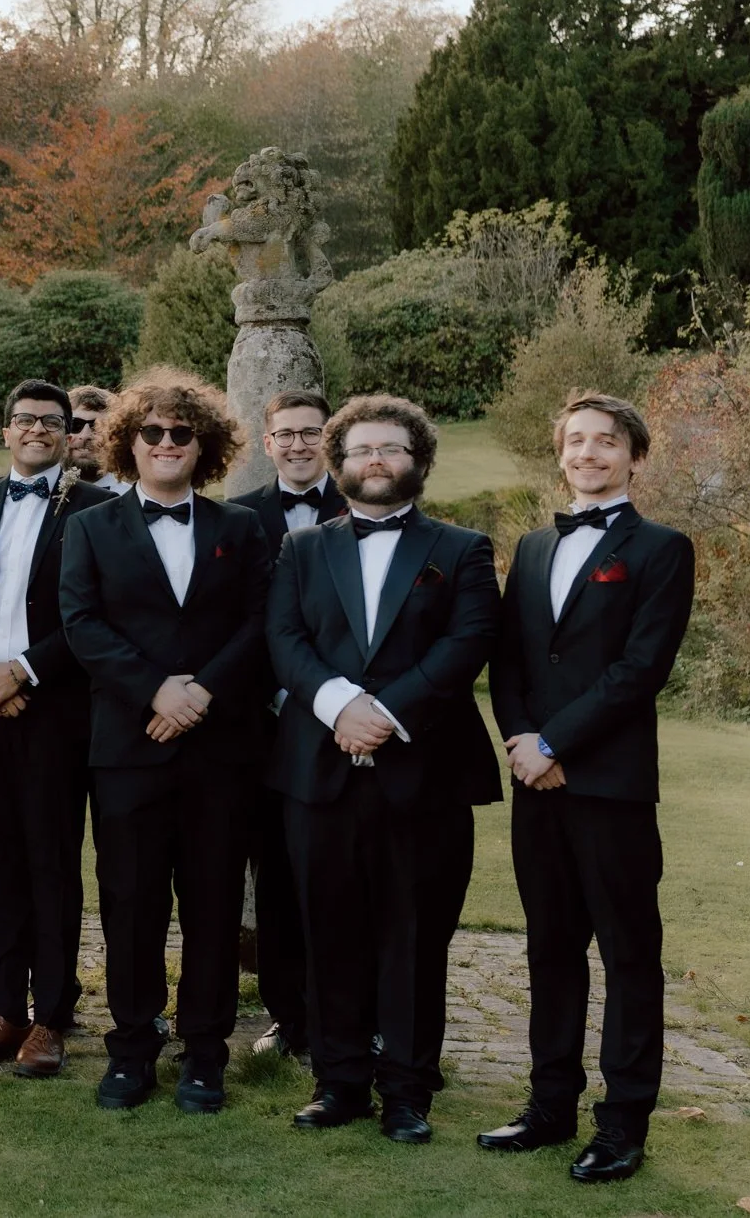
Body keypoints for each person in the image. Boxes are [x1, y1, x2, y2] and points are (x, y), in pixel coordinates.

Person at [267, 395, 501, 1145]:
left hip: (425, 772)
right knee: (327, 930)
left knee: (415, 937)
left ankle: (407, 1090)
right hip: (320, 771)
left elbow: (469, 641)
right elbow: (284, 638)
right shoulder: (302, 548)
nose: (376, 459)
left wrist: (386, 713)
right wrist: (340, 707)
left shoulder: (461, 549)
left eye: (392, 447)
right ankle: (338, 1081)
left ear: (418, 459)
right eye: (362, 448)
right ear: (338, 462)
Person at [481, 391, 694, 1184]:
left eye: (607, 440)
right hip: (537, 784)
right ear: (561, 452)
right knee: (550, 947)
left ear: (634, 456)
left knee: (629, 952)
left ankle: (623, 1123)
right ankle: (550, 1105)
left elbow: (640, 669)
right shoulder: (534, 547)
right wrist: (523, 743)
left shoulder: (663, 549)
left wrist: (556, 741)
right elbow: (509, 659)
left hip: (610, 785)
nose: (589, 453)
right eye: (576, 440)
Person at [58, 368, 270, 1114]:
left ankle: (205, 1053)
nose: (167, 442)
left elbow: (259, 623)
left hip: (219, 749)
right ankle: (131, 1050)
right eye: (152, 431)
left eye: (182, 432)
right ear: (129, 442)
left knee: (212, 903)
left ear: (204, 445)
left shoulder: (240, 528)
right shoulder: (90, 527)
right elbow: (82, 623)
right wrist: (156, 691)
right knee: (131, 902)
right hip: (129, 746)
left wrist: (200, 693)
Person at [0, 379, 107, 1077]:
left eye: (52, 421)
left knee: (52, 859)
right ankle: (5, 1010)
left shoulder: (93, 508)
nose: (37, 429)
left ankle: (51, 1017)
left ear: (69, 435)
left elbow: (94, 612)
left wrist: (25, 671)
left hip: (55, 706)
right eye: (25, 419)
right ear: (5, 430)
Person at [226, 388, 349, 1067]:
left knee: (348, 877)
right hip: (264, 729)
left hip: (343, 725)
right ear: (266, 442)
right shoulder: (240, 517)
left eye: (311, 432)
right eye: (286, 434)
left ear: (329, 439)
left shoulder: (360, 508)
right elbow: (236, 618)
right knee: (274, 877)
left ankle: (355, 1015)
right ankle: (287, 1015)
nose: (299, 444)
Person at [67, 386, 130, 494]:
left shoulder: (130, 498)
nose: (85, 435)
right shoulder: (41, 493)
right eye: (75, 425)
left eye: (97, 427)